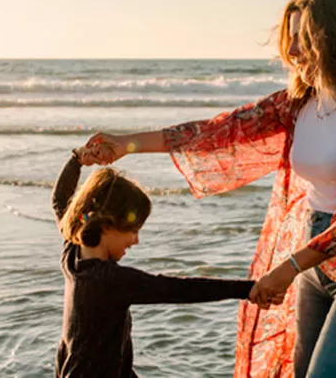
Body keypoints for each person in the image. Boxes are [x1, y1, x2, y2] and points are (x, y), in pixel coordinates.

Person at [76, 0, 336, 377]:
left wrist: (288, 267)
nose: (292, 53)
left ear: (335, 41)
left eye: (302, 42)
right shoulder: (298, 103)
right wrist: (127, 144)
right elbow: (218, 131)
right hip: (313, 260)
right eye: (290, 41)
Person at [50, 154, 281, 378]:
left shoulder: (73, 256)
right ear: (107, 226)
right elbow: (181, 289)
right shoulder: (110, 281)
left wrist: (77, 160)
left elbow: (61, 201)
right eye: (133, 230)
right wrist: (247, 289)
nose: (136, 240)